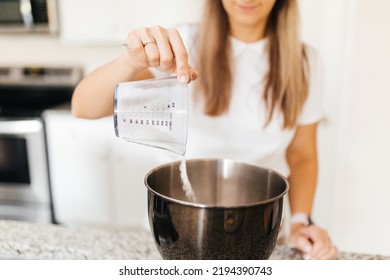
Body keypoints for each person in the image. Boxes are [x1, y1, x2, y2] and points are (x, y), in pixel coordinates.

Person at [71, 0, 338, 260]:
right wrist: (131, 60)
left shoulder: (305, 62)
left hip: (261, 235)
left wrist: (300, 224)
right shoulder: (183, 46)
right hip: (175, 233)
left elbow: (303, 156)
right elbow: (83, 105)